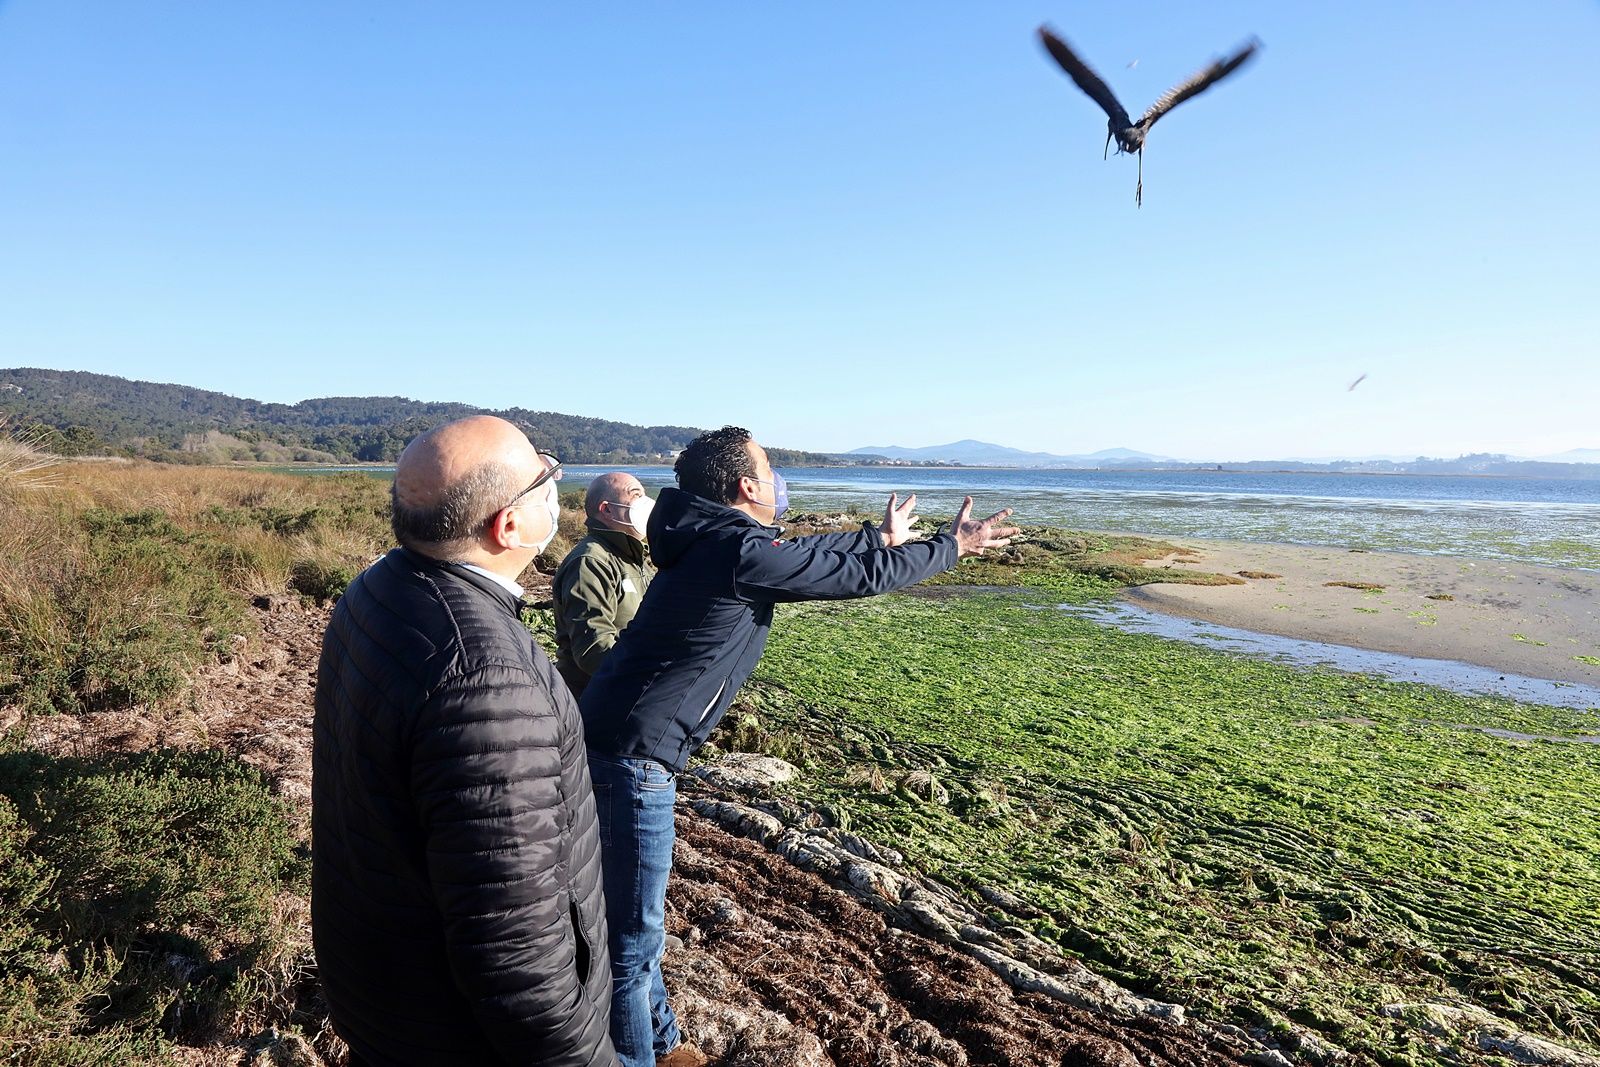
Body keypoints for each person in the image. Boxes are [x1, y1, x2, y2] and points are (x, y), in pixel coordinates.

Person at [580, 426, 1016, 1067]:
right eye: (770, 468)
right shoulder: (731, 549)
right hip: (632, 756)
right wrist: (949, 547)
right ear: (747, 486)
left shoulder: (710, 538)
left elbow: (803, 554)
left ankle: (666, 1044)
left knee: (634, 930)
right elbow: (846, 577)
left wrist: (879, 536)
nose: (777, 479)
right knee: (629, 941)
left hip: (620, 739)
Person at [312, 415, 617, 1067]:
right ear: (507, 526)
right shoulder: (489, 681)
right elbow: (518, 957)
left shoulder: (375, 590)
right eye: (547, 476)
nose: (556, 485)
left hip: (384, 995)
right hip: (454, 1035)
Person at [552, 473, 655, 698]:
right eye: (635, 495)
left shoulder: (635, 558)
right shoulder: (590, 561)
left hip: (625, 693)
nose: (645, 503)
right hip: (595, 699)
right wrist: (650, 679)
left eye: (644, 495)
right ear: (606, 509)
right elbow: (592, 648)